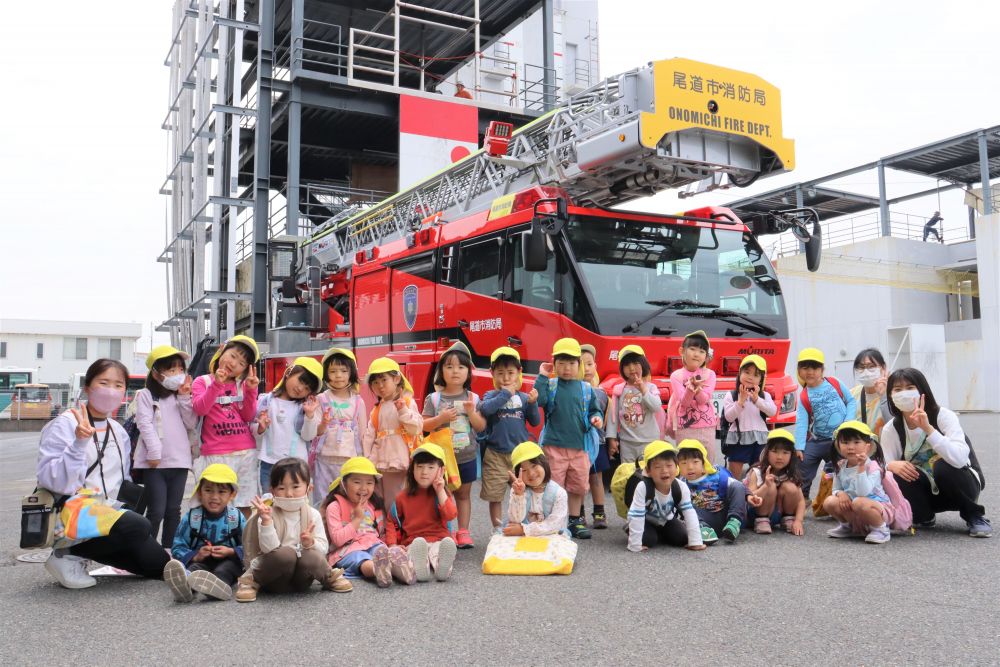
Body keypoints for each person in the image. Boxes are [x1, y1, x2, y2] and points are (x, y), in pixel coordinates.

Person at [37, 359, 171, 589]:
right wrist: (79, 443)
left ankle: (91, 551)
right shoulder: (63, 425)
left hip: (107, 516)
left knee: (160, 566)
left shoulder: (117, 430)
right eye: (104, 382)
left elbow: (122, 480)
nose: (111, 390)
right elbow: (53, 480)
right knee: (139, 526)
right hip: (70, 513)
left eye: (118, 385)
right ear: (88, 387)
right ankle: (65, 554)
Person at [880, 368, 992, 537]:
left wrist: (928, 429)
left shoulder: (943, 416)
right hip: (926, 491)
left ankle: (974, 516)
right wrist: (890, 465)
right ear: (891, 396)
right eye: (897, 389)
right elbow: (883, 470)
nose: (904, 393)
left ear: (922, 391)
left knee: (942, 466)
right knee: (895, 473)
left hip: (960, 484)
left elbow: (960, 459)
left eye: (910, 387)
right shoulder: (892, 429)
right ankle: (923, 515)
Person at [236, 458, 351, 601]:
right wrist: (266, 522)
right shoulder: (267, 514)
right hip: (272, 578)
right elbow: (268, 550)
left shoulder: (312, 514)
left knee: (312, 556)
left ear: (309, 488)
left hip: (300, 580)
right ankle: (252, 581)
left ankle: (328, 577)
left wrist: (310, 543)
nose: (289, 494)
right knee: (286, 554)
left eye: (295, 487)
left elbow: (323, 549)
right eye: (282, 488)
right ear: (272, 491)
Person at [534, 338, 604, 539]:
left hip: (580, 448)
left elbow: (594, 410)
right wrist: (542, 376)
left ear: (579, 365)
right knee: (554, 487)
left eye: (572, 363)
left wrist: (596, 418)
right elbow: (540, 400)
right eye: (561, 363)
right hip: (553, 447)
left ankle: (574, 520)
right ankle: (555, 522)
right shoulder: (551, 384)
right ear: (554, 364)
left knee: (578, 486)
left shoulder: (586, 389)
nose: (566, 368)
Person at [132, 345, 197, 547]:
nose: (178, 374)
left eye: (180, 369)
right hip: (155, 463)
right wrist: (154, 452)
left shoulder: (181, 395)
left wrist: (185, 397)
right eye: (171, 370)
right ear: (157, 373)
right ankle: (147, 550)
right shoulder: (146, 395)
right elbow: (144, 423)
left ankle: (170, 550)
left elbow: (191, 423)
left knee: (173, 510)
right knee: (156, 510)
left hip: (179, 461)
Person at [422, 342, 485, 548]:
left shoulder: (473, 398)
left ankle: (463, 531)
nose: (455, 371)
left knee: (463, 495)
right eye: (449, 367)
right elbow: (424, 425)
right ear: (441, 371)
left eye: (460, 367)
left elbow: (481, 427)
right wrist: (441, 418)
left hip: (466, 456)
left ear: (469, 371)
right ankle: (444, 531)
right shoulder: (434, 397)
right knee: (442, 495)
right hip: (442, 460)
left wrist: (471, 412)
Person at [192, 336, 261, 514]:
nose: (234, 363)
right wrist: (216, 384)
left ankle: (240, 541)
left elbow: (248, 415)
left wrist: (252, 390)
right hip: (216, 453)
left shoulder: (242, 385)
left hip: (246, 451)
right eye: (233, 355)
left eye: (241, 363)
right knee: (214, 503)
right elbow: (200, 409)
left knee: (244, 502)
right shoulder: (203, 381)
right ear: (222, 350)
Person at [322, 456, 414, 588]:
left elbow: (380, 533)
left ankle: (402, 569)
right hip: (348, 549)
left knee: (382, 550)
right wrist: (357, 520)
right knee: (361, 559)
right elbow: (337, 539)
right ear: (343, 483)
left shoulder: (372, 506)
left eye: (369, 483)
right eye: (357, 482)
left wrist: (391, 545)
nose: (364, 488)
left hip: (372, 543)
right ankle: (378, 570)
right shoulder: (334, 507)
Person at [477, 346, 540, 530]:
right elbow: (485, 409)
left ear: (519, 373)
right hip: (495, 454)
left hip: (519, 456)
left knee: (524, 492)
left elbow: (535, 422)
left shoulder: (523, 397)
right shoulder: (492, 395)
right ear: (492, 374)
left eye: (511, 373)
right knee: (495, 496)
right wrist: (505, 394)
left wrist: (533, 404)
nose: (506, 378)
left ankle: (523, 525)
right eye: (500, 373)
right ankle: (497, 530)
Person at [163, 464, 245, 602]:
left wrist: (231, 551)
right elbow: (177, 546)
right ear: (200, 492)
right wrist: (196, 555)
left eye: (221, 492)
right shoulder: (192, 518)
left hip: (229, 561)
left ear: (232, 494)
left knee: (225, 569)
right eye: (208, 490)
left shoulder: (236, 517)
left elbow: (251, 547)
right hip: (202, 562)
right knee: (194, 569)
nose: (214, 497)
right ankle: (186, 587)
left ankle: (218, 587)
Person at [386, 444, 459, 582]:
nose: (424, 472)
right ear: (412, 470)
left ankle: (442, 569)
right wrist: (392, 544)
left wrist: (440, 490)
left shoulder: (442, 494)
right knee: (414, 550)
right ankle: (421, 568)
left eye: (431, 467)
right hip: (413, 542)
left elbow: (450, 515)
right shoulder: (402, 497)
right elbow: (391, 521)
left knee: (439, 551)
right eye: (419, 467)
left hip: (439, 540)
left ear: (441, 470)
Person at [254, 356, 323, 492]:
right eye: (301, 380)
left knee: (295, 505)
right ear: (288, 372)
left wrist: (309, 416)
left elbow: (308, 436)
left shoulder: (304, 408)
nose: (300, 388)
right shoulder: (266, 401)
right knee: (270, 504)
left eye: (307, 388)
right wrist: (260, 428)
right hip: (269, 464)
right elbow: (254, 433)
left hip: (297, 466)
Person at [362, 358, 423, 512]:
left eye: (384, 380)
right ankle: (392, 528)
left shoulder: (408, 402)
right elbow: (369, 436)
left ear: (397, 379)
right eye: (375, 382)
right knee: (388, 498)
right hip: (383, 460)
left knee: (408, 496)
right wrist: (367, 459)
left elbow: (416, 428)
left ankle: (407, 528)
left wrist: (402, 410)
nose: (380, 385)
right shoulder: (376, 410)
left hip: (404, 457)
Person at [794, 347, 855, 498]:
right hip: (817, 440)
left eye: (814, 367)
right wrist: (799, 447)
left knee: (844, 469)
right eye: (805, 367)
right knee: (803, 465)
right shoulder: (803, 396)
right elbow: (801, 423)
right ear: (799, 371)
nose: (810, 372)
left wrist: (847, 423)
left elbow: (851, 401)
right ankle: (802, 498)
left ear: (822, 369)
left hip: (839, 439)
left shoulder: (834, 382)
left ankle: (847, 496)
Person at [310, 348, 367, 505]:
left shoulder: (358, 402)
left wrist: (365, 459)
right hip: (324, 459)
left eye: (343, 370)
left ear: (352, 373)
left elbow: (363, 434)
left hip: (349, 460)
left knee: (348, 498)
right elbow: (316, 431)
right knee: (322, 498)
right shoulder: (321, 399)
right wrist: (324, 424)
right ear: (326, 374)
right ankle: (323, 527)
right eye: (333, 371)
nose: (338, 375)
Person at [821, 421, 894, 544]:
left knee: (859, 502)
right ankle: (849, 526)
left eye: (856, 442)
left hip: (875, 507)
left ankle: (881, 529)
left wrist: (861, 468)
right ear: (838, 445)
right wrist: (840, 494)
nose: (850, 447)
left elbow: (863, 492)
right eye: (845, 442)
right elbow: (836, 488)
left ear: (868, 446)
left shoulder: (873, 467)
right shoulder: (841, 466)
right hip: (856, 506)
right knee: (830, 502)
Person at [626, 440, 703, 552]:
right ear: (648, 471)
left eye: (669, 465)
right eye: (658, 467)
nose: (665, 471)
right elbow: (637, 515)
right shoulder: (643, 487)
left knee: (682, 538)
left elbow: (689, 513)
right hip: (644, 519)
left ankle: (660, 533)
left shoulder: (680, 487)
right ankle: (632, 530)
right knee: (649, 540)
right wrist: (634, 545)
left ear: (676, 468)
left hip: (665, 519)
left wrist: (696, 542)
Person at [677, 439, 755, 544]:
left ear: (704, 462)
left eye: (695, 462)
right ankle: (704, 529)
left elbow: (738, 487)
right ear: (678, 466)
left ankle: (734, 522)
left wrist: (749, 496)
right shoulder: (681, 483)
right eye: (684, 463)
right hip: (704, 519)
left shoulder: (717, 475)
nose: (690, 467)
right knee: (682, 501)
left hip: (725, 514)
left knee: (737, 485)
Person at [720, 354, 776, 478]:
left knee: (758, 473)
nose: (750, 377)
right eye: (747, 372)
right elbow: (729, 417)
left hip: (759, 438)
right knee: (734, 474)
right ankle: (733, 495)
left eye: (756, 375)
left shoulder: (764, 395)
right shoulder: (732, 395)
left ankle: (755, 494)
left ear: (761, 379)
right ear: (740, 373)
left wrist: (757, 400)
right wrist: (740, 402)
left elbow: (772, 412)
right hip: (738, 438)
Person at [606, 344, 663, 465]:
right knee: (628, 473)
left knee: (647, 471)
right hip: (627, 442)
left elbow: (656, 406)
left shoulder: (651, 387)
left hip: (649, 441)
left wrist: (643, 389)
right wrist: (611, 438)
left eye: (636, 363)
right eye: (627, 365)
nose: (631, 368)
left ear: (644, 364)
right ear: (622, 368)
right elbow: (613, 417)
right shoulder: (619, 390)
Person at [668, 330, 719, 464]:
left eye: (702, 351)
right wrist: (691, 389)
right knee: (686, 463)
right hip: (685, 427)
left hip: (706, 426)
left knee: (707, 463)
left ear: (706, 356)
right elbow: (684, 403)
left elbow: (703, 400)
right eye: (692, 349)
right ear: (682, 351)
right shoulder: (676, 376)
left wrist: (697, 390)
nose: (697, 354)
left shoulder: (710, 374)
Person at [743, 429, 805, 535]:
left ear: (791, 455)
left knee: (791, 487)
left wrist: (798, 521)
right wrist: (765, 486)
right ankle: (761, 519)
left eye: (785, 452)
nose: (780, 457)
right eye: (775, 451)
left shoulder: (791, 473)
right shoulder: (757, 471)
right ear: (766, 453)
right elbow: (750, 498)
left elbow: (801, 501)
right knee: (770, 486)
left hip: (778, 514)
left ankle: (788, 518)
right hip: (756, 513)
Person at [502, 442, 569, 537]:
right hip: (523, 538)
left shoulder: (559, 493)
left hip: (552, 536)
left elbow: (555, 525)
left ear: (544, 463)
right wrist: (519, 495)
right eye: (524, 470)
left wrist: (524, 529)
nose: (531, 473)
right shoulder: (517, 490)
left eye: (534, 466)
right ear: (517, 474)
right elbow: (515, 520)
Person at [580, 344, 610, 529]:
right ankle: (579, 513)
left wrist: (610, 440)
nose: (587, 369)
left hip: (597, 442)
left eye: (590, 364)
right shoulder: (572, 391)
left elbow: (607, 420)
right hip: (578, 443)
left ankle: (599, 512)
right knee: (579, 480)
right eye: (582, 365)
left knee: (597, 479)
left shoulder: (601, 393)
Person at [850, 348, 891, 437]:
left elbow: (894, 424)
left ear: (883, 367)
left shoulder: (893, 393)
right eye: (861, 367)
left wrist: (884, 396)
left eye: (871, 366)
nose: (866, 371)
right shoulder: (851, 394)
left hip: (885, 448)